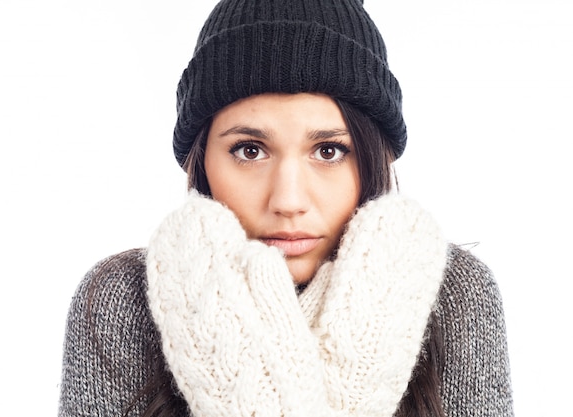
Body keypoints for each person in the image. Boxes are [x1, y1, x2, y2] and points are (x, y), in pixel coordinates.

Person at [58, 0, 514, 416]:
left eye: (330, 151)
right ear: (202, 161)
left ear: (378, 157)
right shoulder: (122, 300)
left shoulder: (453, 294)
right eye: (250, 151)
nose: (289, 201)